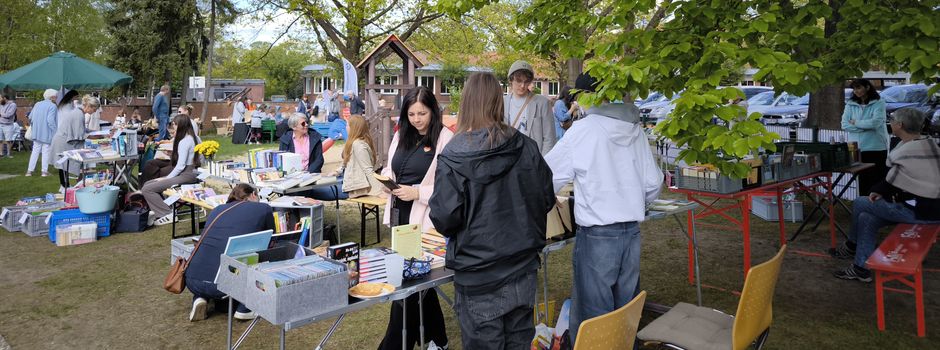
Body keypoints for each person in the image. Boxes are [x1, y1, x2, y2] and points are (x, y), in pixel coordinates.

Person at [429, 72, 555, 349]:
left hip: (492, 272)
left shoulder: (523, 146)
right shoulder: (459, 154)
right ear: (498, 101)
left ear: (468, 103)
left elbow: (445, 218)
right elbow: (546, 199)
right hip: (510, 270)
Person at [545, 73, 663, 343]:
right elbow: (654, 183)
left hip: (598, 235)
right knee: (626, 312)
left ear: (583, 97)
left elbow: (546, 175)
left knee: (594, 318)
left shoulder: (584, 131)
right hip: (630, 232)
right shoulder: (634, 129)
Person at [377, 86, 453, 350]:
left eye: (422, 113)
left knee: (410, 281)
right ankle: (437, 339)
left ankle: (395, 344)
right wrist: (387, 179)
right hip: (401, 215)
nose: (417, 119)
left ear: (433, 111)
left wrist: (418, 192)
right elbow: (391, 165)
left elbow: (449, 187)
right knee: (419, 281)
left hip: (425, 219)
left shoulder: (445, 138)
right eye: (411, 114)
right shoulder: (401, 135)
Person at [830, 108, 940, 282]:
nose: (890, 122)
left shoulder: (904, 151)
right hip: (926, 208)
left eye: (893, 119)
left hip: (923, 212)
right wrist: (880, 192)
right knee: (866, 218)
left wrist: (877, 192)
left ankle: (851, 245)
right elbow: (900, 182)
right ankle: (860, 269)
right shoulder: (929, 143)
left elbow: (889, 183)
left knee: (860, 202)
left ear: (900, 125)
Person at [186, 183, 275, 321]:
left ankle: (199, 298)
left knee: (212, 260)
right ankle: (245, 308)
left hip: (192, 279)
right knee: (259, 256)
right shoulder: (263, 208)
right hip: (223, 283)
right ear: (253, 195)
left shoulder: (217, 209)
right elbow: (271, 239)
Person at [141, 114, 201, 226]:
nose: (173, 127)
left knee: (147, 188)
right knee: (149, 183)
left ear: (180, 125)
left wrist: (166, 178)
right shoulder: (195, 138)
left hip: (186, 175)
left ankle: (166, 213)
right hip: (192, 172)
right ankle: (164, 209)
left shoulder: (185, 141)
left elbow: (180, 166)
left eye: (174, 124)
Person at [306, 115, 384, 201]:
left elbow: (368, 170)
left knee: (310, 190)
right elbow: (348, 162)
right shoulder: (354, 142)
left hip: (354, 188)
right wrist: (337, 171)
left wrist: (379, 192)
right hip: (347, 181)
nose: (345, 127)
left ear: (354, 128)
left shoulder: (358, 145)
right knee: (312, 185)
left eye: (347, 125)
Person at [841, 78, 889, 196]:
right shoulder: (850, 104)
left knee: (877, 181)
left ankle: (879, 209)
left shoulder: (879, 102)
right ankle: (864, 206)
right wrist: (865, 126)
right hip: (858, 148)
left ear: (867, 87)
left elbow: (876, 123)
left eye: (858, 87)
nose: (856, 91)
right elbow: (844, 124)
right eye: (854, 88)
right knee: (863, 181)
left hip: (876, 147)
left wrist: (856, 123)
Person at [504, 60, 556, 155]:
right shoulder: (502, 102)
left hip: (533, 159)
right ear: (511, 80)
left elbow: (550, 138)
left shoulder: (542, 103)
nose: (523, 85)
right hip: (509, 158)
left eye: (526, 81)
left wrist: (542, 163)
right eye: (519, 81)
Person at [52, 91, 90, 176]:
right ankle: (64, 186)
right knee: (63, 164)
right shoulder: (68, 108)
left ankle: (65, 185)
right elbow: (78, 131)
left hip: (64, 134)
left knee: (64, 164)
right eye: (77, 97)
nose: (77, 98)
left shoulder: (71, 107)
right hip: (63, 137)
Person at [26, 89, 58, 177]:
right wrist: (56, 131)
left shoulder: (37, 104)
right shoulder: (53, 106)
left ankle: (29, 171)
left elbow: (30, 117)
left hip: (36, 132)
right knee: (45, 152)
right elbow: (50, 120)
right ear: (52, 96)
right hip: (47, 133)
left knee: (35, 151)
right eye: (56, 96)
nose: (57, 97)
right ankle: (44, 172)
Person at [0, 94, 17, 158]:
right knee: (0, 140)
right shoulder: (1, 104)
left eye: (0, 98)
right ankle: (1, 154)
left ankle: (8, 154)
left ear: (4, 98)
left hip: (8, 125)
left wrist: (1, 114)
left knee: (8, 140)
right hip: (0, 124)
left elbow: (9, 115)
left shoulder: (13, 105)